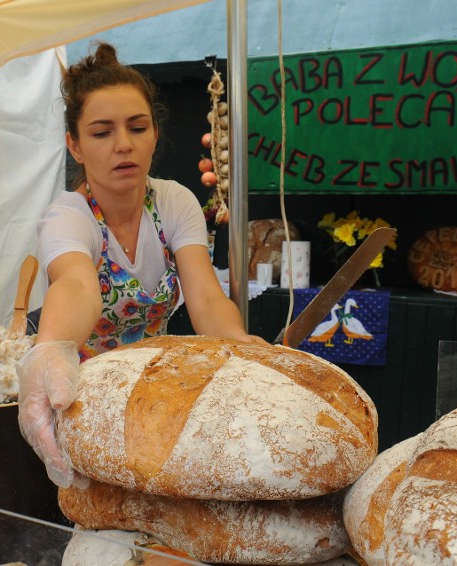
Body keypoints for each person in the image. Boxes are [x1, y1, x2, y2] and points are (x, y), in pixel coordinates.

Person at [16, 42, 268, 489]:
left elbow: (206, 297)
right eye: (101, 132)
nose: (123, 145)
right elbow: (75, 285)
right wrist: (51, 354)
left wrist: (241, 347)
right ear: (74, 145)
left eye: (137, 127)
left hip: (149, 392)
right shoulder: (68, 217)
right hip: (78, 399)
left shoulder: (174, 202)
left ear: (155, 134)